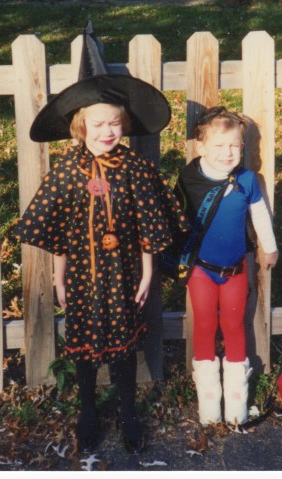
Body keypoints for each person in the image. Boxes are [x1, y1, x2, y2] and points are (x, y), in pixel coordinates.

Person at [15, 23, 187, 455]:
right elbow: (57, 230)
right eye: (97, 123)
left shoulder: (134, 169)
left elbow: (149, 224)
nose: (107, 131)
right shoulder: (66, 171)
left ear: (124, 124)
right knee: (84, 345)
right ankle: (88, 410)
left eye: (114, 123)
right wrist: (58, 277)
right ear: (80, 125)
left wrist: (147, 272)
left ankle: (128, 410)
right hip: (82, 276)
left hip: (124, 272)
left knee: (124, 345)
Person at [176, 106, 278, 428]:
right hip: (201, 270)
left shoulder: (247, 180)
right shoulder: (189, 179)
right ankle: (208, 399)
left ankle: (236, 399)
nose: (227, 152)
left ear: (243, 146)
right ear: (201, 146)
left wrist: (269, 246)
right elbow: (176, 219)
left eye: (234, 145)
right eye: (219, 145)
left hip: (235, 269)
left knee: (234, 325)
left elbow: (259, 214)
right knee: (205, 324)